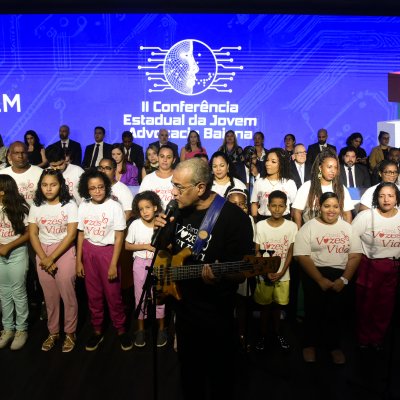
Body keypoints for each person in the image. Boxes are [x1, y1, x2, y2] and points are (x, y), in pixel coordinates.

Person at [155, 157, 253, 400]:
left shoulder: (233, 218)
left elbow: (241, 271)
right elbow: (166, 249)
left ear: (200, 188)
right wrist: (161, 228)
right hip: (183, 309)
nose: (173, 192)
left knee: (220, 376)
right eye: (173, 185)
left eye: (179, 187)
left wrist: (219, 275)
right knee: (189, 375)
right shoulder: (177, 209)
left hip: (216, 313)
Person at [293, 192, 362, 364]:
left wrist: (344, 279)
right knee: (313, 312)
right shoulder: (308, 227)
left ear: (340, 208)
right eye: (327, 206)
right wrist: (319, 280)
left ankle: (334, 346)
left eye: (335, 206)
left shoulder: (348, 228)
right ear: (319, 207)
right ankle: (309, 344)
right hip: (314, 275)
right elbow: (302, 256)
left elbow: (355, 256)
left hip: (340, 276)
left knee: (336, 314)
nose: (331, 210)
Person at [76, 169, 132, 351]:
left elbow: (118, 237)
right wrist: (79, 260)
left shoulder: (114, 206)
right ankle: (98, 329)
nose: (97, 191)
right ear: (87, 189)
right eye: (92, 188)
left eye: (100, 187)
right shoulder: (84, 205)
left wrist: (114, 264)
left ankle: (121, 329)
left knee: (114, 295)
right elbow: (81, 234)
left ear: (106, 187)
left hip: (108, 254)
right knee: (93, 295)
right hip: (89, 252)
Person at [28, 169, 78, 352]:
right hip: (43, 252)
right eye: (44, 185)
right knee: (49, 297)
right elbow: (33, 233)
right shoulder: (36, 205)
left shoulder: (70, 205)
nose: (48, 189)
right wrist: (43, 257)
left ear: (61, 185)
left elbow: (71, 234)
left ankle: (70, 332)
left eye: (53, 184)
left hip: (63, 250)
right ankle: (53, 332)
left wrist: (52, 258)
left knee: (68, 295)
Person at [352, 182, 400, 349]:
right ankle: (363, 338)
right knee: (365, 304)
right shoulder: (365, 216)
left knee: (385, 305)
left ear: (396, 198)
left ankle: (377, 338)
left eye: (390, 196)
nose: (386, 200)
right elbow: (350, 239)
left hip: (393, 266)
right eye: (381, 196)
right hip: (369, 266)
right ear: (376, 198)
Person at [254, 190, 298, 352]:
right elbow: (257, 252)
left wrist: (281, 272)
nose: (277, 209)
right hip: (264, 275)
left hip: (283, 275)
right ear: (268, 206)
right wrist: (265, 272)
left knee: (278, 308)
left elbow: (290, 253)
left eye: (281, 206)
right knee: (264, 308)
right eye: (274, 205)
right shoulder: (260, 226)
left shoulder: (292, 226)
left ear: (286, 207)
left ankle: (278, 333)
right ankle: (263, 335)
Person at [125, 191, 168, 348]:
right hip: (140, 263)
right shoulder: (135, 225)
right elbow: (127, 245)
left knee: (158, 295)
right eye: (141, 209)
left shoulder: (162, 224)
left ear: (155, 207)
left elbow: (169, 245)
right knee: (140, 296)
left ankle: (162, 328)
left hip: (158, 263)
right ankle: (140, 330)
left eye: (148, 207)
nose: (145, 211)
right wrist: (145, 246)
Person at [0, 175, 30, 350]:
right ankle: (8, 328)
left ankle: (21, 329)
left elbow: (28, 233)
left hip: (17, 252)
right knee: (3, 292)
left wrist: (9, 246)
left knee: (18, 291)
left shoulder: (21, 208)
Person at [292, 149, 354, 229]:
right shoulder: (307, 186)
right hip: (312, 233)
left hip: (335, 233)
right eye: (329, 167)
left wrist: (347, 234)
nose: (333, 171)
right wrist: (300, 233)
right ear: (320, 167)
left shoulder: (340, 188)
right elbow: (297, 212)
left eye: (335, 167)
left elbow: (347, 214)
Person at [251, 148, 297, 221]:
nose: (268, 164)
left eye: (273, 161)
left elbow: (294, 207)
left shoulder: (289, 183)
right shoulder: (259, 182)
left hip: (284, 221)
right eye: (267, 160)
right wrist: (254, 221)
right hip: (263, 221)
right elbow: (254, 204)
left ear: (281, 164)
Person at [0, 141, 43, 205]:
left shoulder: (40, 172)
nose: (20, 156)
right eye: (16, 153)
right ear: (9, 155)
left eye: (23, 153)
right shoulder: (2, 174)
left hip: (36, 213)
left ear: (28, 154)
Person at [139, 145, 175, 210]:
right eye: (162, 156)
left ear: (174, 160)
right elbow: (141, 201)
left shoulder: (180, 177)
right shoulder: (148, 178)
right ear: (158, 157)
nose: (165, 160)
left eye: (168, 157)